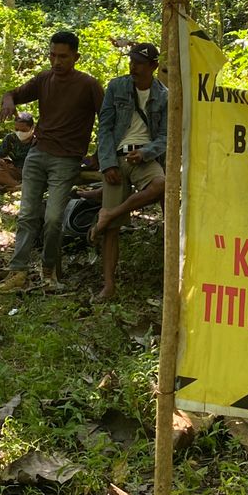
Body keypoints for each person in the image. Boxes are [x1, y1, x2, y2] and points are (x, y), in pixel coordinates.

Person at [0, 30, 104, 293]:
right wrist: (8, 102)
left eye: (63, 57)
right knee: (27, 215)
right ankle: (18, 272)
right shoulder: (45, 79)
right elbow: (12, 93)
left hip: (66, 159)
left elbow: (108, 121)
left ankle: (48, 271)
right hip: (37, 153)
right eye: (53, 55)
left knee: (54, 218)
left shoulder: (89, 85)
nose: (57, 62)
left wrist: (99, 156)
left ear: (76, 57)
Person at [92, 42, 167, 302]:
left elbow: (167, 136)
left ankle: (111, 211)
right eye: (132, 61)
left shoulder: (164, 96)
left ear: (153, 67)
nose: (133, 67)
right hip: (117, 156)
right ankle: (108, 285)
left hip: (144, 158)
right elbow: (105, 127)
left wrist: (146, 152)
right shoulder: (116, 87)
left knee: (162, 184)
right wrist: (108, 162)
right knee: (111, 230)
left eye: (140, 63)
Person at [0, 110, 36, 190]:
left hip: (33, 173)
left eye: (23, 130)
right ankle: (17, 185)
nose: (19, 133)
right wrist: (1, 162)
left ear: (32, 127)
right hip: (15, 171)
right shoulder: (11, 138)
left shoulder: (38, 140)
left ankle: (16, 187)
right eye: (17, 129)